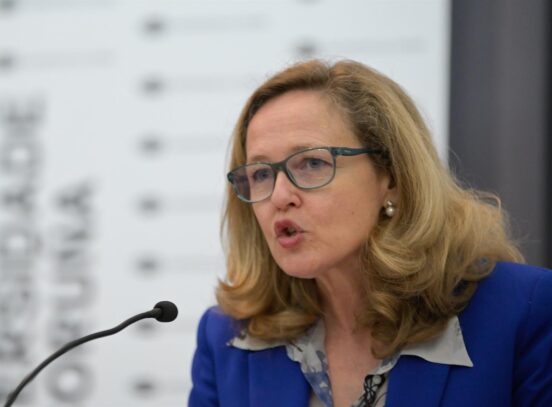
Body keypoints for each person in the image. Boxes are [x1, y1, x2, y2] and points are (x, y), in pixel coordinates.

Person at [187, 59, 552, 407]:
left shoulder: (525, 312)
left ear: (391, 177)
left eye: (312, 163)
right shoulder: (226, 339)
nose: (280, 196)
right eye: (261, 174)